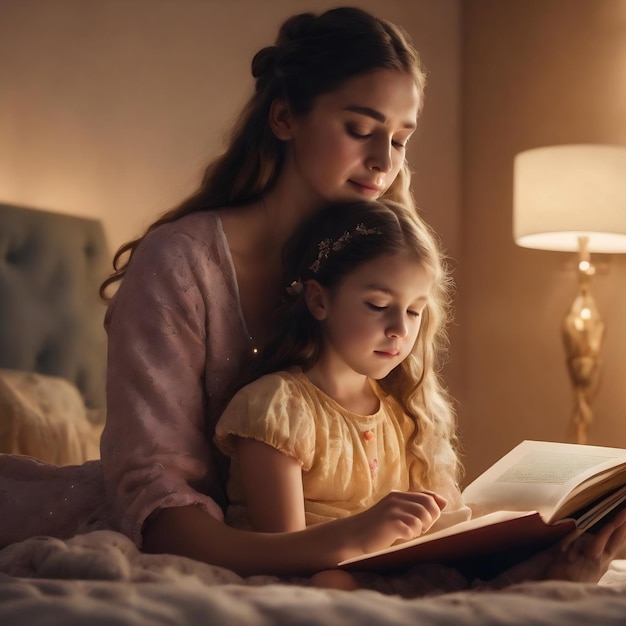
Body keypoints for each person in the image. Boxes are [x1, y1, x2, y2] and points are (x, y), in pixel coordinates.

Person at [1, 6, 625, 589]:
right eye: (360, 128)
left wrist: (505, 559)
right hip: (203, 541)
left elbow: (412, 478)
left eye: (402, 139)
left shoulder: (386, 274)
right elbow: (161, 514)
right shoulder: (181, 264)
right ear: (283, 118)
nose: (383, 161)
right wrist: (342, 545)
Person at [214, 198, 471, 590]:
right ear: (319, 300)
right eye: (378, 305)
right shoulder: (276, 407)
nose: (400, 329)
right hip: (315, 574)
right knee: (330, 585)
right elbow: (283, 554)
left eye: (415, 311)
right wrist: (366, 532)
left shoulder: (404, 413)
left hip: (381, 573)